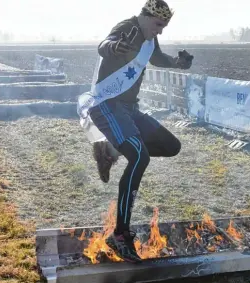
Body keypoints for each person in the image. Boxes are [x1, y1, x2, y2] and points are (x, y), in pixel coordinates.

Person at [77, 0, 194, 263]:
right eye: (158, 25)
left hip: (129, 108)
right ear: (146, 16)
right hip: (106, 104)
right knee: (140, 156)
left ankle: (109, 150)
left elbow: (158, 57)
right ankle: (119, 235)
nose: (161, 31)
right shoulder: (128, 28)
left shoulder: (149, 39)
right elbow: (104, 45)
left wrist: (178, 63)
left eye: (164, 26)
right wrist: (115, 47)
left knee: (171, 146)